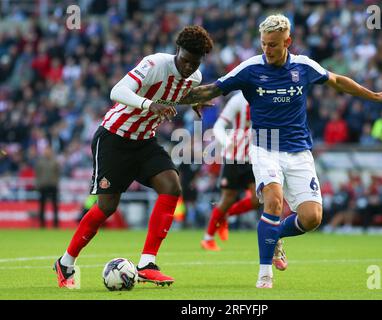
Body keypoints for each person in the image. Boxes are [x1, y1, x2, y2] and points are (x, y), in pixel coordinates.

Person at [180, 14, 382, 288]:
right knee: (273, 201)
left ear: (288, 41)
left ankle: (275, 236)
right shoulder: (250, 69)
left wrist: (373, 95)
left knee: (312, 218)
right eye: (263, 43)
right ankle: (264, 275)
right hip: (265, 146)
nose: (267, 49)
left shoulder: (303, 66)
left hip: (299, 151)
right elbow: (213, 88)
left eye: (273, 44)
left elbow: (336, 80)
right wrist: (176, 98)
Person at [53, 26, 214, 288]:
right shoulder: (154, 63)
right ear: (177, 51)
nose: (188, 67)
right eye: (185, 60)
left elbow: (178, 92)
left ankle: (147, 264)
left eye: (193, 63)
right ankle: (65, 262)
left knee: (171, 185)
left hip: (144, 141)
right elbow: (117, 91)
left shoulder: (194, 76)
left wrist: (193, 101)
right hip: (114, 138)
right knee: (107, 207)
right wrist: (150, 105)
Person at [200, 91, 260, 251]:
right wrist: (227, 142)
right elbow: (219, 125)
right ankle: (208, 238)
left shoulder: (265, 94)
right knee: (228, 198)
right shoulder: (238, 100)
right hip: (234, 156)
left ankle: (225, 215)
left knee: (258, 199)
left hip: (255, 157)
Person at [35, 145, 61, 228]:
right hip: (43, 185)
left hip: (53, 186)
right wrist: (38, 184)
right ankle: (42, 224)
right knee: (42, 206)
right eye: (46, 150)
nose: (47, 152)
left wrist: (56, 183)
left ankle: (56, 224)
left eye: (49, 150)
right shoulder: (40, 161)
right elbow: (37, 174)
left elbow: (58, 173)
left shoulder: (55, 161)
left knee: (55, 205)